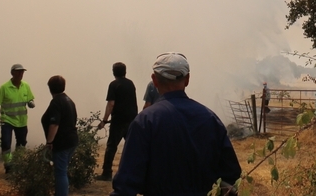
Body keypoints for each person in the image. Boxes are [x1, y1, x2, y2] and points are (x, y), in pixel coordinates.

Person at [112, 53, 241, 196]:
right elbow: (231, 174)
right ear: (187, 79)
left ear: (154, 80)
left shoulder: (145, 121)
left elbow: (126, 184)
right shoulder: (210, 118)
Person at [97, 62, 138, 180]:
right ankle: (133, 172)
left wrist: (104, 120)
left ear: (113, 72)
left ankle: (106, 173)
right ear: (125, 71)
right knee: (131, 147)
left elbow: (111, 104)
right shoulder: (130, 84)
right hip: (132, 119)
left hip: (118, 121)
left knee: (111, 146)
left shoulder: (114, 85)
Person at [0, 63, 35, 169]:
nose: (20, 74)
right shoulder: (4, 88)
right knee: (6, 142)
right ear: (12, 73)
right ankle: (9, 165)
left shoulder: (26, 86)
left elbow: (30, 98)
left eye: (22, 72)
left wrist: (31, 102)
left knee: (21, 143)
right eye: (18, 71)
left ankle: (18, 163)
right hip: (7, 120)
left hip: (22, 121)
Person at [41, 75, 78, 196]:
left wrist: (49, 142)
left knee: (60, 172)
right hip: (71, 141)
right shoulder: (68, 100)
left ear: (50, 88)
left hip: (62, 143)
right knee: (62, 170)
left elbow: (54, 124)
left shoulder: (56, 102)